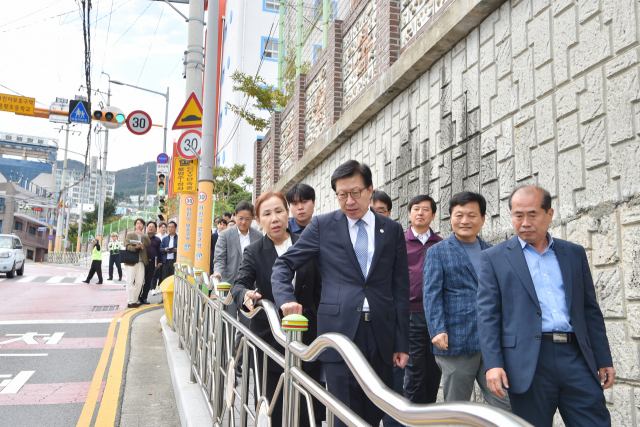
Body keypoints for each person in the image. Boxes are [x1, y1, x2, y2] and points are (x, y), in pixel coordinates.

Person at [272, 160, 410, 427]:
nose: (349, 201)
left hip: (381, 335)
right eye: (342, 195)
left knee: (375, 411)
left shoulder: (391, 230)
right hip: (339, 333)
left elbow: (399, 289)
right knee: (343, 413)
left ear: (370, 190)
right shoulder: (323, 226)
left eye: (355, 193)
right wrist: (286, 299)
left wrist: (401, 342)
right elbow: (284, 264)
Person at [477, 186, 614, 427]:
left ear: (549, 215)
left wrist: (603, 357)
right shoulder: (494, 257)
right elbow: (488, 315)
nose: (525, 222)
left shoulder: (573, 253)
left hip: (576, 357)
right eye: (518, 215)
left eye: (533, 214)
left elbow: (589, 309)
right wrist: (494, 365)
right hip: (526, 362)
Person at [231, 191, 324, 427]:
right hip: (270, 341)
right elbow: (239, 285)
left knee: (306, 408)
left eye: (279, 211)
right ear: (258, 220)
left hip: (307, 339)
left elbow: (320, 288)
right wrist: (246, 295)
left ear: (288, 213)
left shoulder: (307, 245)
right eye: (267, 214)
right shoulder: (253, 251)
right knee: (273, 407)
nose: (274, 218)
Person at [423, 192, 510, 410]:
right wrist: (436, 329)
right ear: (450, 218)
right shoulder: (437, 252)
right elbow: (431, 293)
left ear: (482, 219)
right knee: (457, 408)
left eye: (471, 215)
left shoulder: (493, 251)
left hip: (492, 342)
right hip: (454, 341)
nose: (465, 221)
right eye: (459, 215)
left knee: (504, 404)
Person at [404, 195, 443, 406]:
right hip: (411, 313)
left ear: (433, 215)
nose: (420, 213)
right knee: (414, 371)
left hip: (436, 316)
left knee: (433, 370)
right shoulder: (400, 242)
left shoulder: (441, 244)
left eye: (426, 209)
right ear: (410, 214)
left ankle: (428, 415)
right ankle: (412, 418)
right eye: (416, 208)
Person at [369, 189, 403, 427]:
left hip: (389, 327)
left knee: (392, 389)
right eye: (372, 211)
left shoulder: (394, 235)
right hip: (359, 325)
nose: (376, 216)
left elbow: (401, 290)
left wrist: (401, 342)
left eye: (381, 211)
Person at [212, 202, 262, 286]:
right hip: (230, 283)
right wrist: (218, 273)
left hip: (252, 284)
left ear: (252, 218)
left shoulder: (258, 235)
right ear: (235, 216)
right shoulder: (225, 235)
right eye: (240, 218)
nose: (243, 222)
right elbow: (220, 258)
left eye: (247, 219)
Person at [124, 218, 151, 308]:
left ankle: (134, 300)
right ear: (135, 225)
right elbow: (127, 246)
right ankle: (130, 301)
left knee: (139, 282)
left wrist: (143, 235)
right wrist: (136, 247)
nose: (139, 225)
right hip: (131, 261)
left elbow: (148, 243)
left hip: (141, 262)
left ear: (143, 226)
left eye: (141, 224)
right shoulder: (130, 234)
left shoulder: (145, 236)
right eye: (137, 223)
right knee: (130, 281)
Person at [139, 221, 161, 305]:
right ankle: (137, 297)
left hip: (152, 263)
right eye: (149, 226)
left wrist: (159, 262)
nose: (151, 228)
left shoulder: (158, 240)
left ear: (155, 229)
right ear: (146, 228)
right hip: (142, 262)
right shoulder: (142, 237)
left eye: (153, 227)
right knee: (139, 280)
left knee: (148, 281)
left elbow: (159, 252)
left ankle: (144, 297)